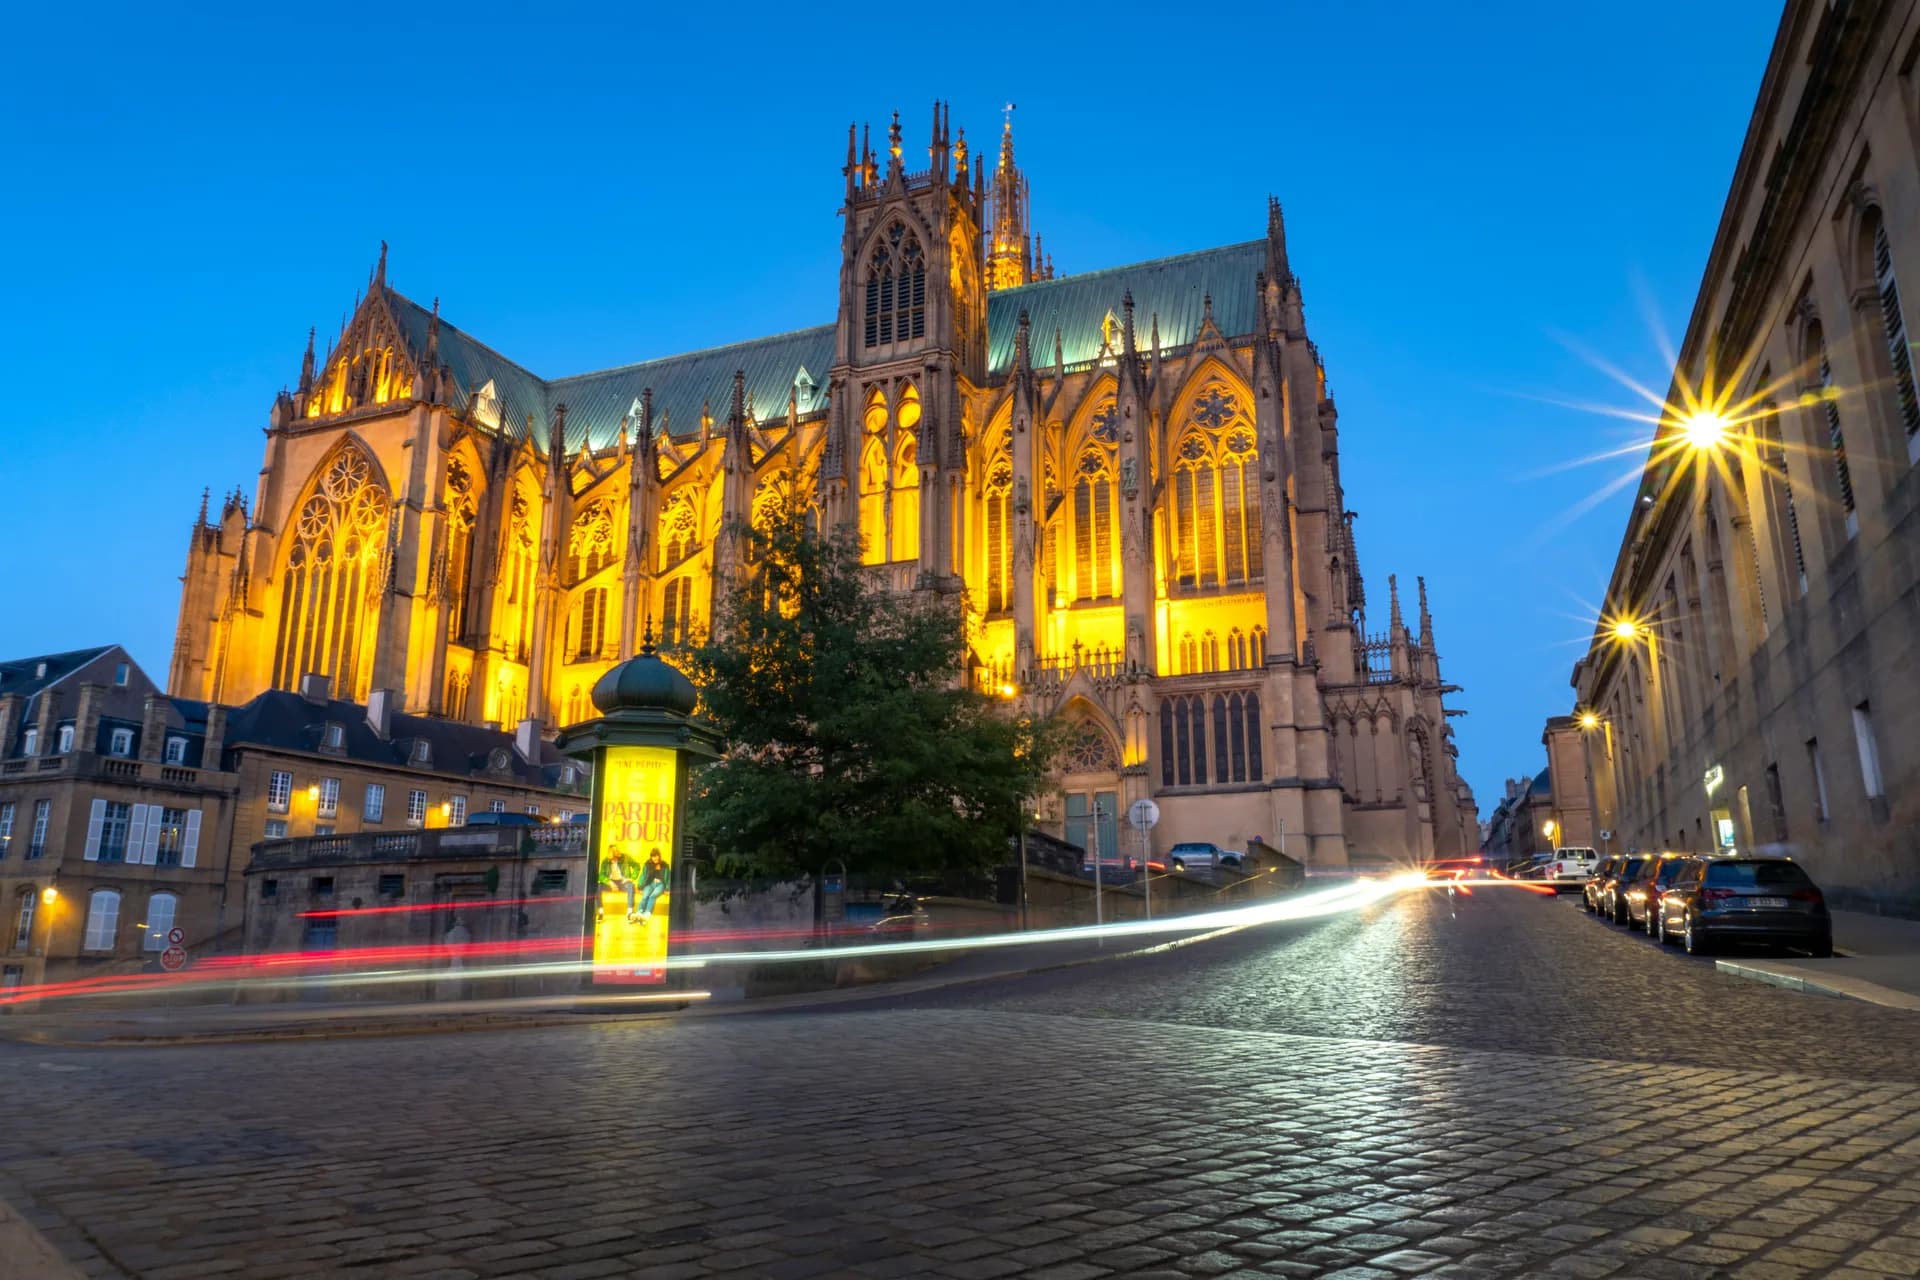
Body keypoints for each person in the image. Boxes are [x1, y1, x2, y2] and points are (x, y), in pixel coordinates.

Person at [603, 848, 639, 923]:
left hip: (623, 881)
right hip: (611, 882)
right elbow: (601, 875)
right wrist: (609, 882)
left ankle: (629, 912)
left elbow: (636, 866)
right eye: (611, 860)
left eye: (614, 859)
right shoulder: (606, 860)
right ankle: (600, 912)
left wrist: (631, 878)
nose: (613, 861)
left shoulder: (625, 857)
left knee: (630, 886)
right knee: (598, 887)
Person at [638, 849, 669, 917]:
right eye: (653, 856)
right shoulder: (648, 865)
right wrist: (640, 886)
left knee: (652, 896)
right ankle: (639, 912)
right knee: (645, 896)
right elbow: (644, 875)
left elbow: (668, 878)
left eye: (656, 856)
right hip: (650, 884)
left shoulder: (664, 865)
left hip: (660, 885)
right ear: (651, 857)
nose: (655, 858)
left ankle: (647, 913)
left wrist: (667, 889)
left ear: (659, 856)